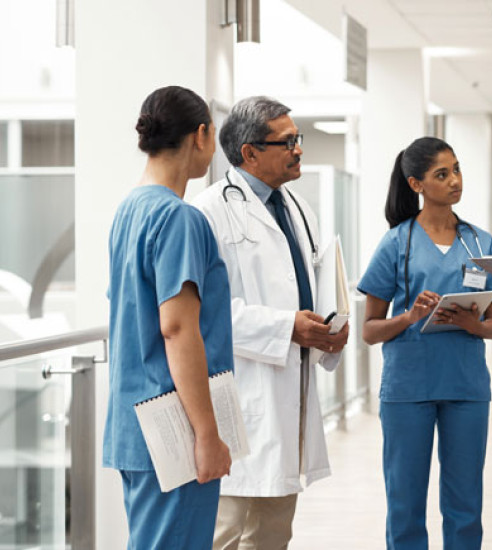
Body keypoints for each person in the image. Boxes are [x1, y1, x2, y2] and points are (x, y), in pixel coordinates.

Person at [192, 96, 349, 550]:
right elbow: (206, 311)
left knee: (274, 533)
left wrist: (326, 333)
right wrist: (286, 328)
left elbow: (311, 284)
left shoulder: (297, 208)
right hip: (242, 394)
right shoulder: (209, 212)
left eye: (297, 139)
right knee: (226, 532)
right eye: (287, 141)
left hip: (289, 390)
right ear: (250, 153)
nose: (299, 149)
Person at [357, 137, 492, 550]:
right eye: (442, 174)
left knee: (465, 506)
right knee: (404, 504)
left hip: (466, 388)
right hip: (408, 390)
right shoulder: (395, 244)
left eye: (457, 169)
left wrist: (472, 324)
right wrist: (409, 317)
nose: (455, 181)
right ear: (416, 184)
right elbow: (369, 330)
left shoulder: (480, 244)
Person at [104, 85, 233, 549]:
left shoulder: (129, 211)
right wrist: (207, 434)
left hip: (134, 425)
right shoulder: (179, 218)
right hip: (173, 429)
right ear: (200, 135)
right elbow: (178, 330)